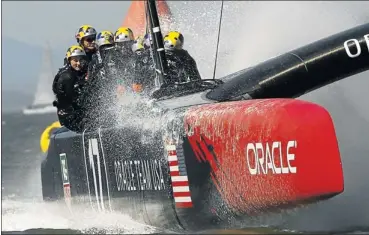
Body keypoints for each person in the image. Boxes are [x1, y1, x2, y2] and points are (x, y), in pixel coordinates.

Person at [82, 30, 122, 128]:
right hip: (102, 95)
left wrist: (120, 84)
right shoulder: (94, 60)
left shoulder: (118, 56)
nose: (107, 50)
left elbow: (123, 73)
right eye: (103, 47)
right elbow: (89, 81)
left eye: (109, 46)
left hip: (117, 91)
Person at [52, 45, 88, 132]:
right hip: (70, 117)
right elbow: (68, 100)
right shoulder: (67, 77)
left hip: (79, 113)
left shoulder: (80, 73)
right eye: (75, 60)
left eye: (81, 60)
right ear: (69, 60)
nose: (78, 63)